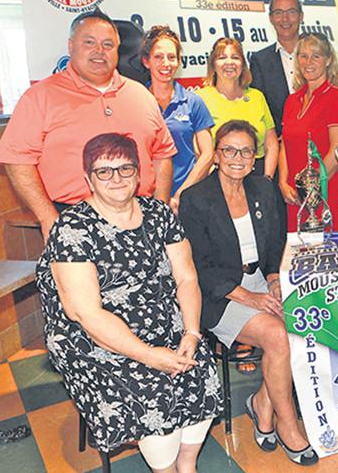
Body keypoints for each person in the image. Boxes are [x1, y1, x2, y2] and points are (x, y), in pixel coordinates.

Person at [36, 133, 222, 472]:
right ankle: (165, 469)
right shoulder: (73, 228)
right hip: (94, 338)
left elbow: (187, 278)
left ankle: (187, 464)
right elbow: (86, 312)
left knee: (200, 368)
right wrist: (150, 355)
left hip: (162, 320)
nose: (117, 178)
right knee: (151, 389)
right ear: (88, 179)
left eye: (125, 168)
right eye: (104, 171)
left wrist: (191, 333)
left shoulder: (158, 213)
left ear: (139, 173)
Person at [179, 120, 317, 466]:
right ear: (215, 155)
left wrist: (272, 279)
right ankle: (289, 426)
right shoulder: (195, 198)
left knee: (305, 318)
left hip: (260, 281)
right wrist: (249, 296)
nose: (237, 158)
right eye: (228, 150)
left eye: (245, 151)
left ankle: (261, 404)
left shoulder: (263, 189)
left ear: (255, 156)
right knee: (278, 335)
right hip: (219, 295)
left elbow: (275, 242)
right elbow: (198, 266)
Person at [0, 9, 176, 239]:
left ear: (118, 50)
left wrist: (158, 210)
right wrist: (47, 216)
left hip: (141, 219)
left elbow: (162, 155)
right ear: (71, 46)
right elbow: (16, 160)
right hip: (73, 223)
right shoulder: (40, 97)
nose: (99, 51)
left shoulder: (141, 95)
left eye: (108, 44)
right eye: (89, 42)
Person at [279, 33, 338, 232]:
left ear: (328, 60)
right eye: (303, 56)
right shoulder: (292, 100)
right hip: (295, 198)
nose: (308, 62)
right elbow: (284, 145)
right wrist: (283, 183)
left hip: (326, 194)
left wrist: (311, 189)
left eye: (316, 56)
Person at [140, 25, 214, 213]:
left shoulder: (193, 101)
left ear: (179, 61)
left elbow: (207, 154)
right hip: (146, 199)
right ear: (146, 61)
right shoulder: (136, 100)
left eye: (172, 57)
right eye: (158, 57)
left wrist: (182, 194)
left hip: (186, 199)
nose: (166, 63)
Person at [198, 38, 278, 179]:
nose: (229, 62)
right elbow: (197, 148)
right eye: (222, 57)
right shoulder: (200, 98)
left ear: (243, 65)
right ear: (213, 65)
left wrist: (267, 179)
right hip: (216, 176)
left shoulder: (256, 97)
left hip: (257, 176)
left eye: (235, 57)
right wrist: (215, 179)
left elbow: (271, 145)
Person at [250, 0, 303, 134]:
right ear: (271, 18)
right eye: (278, 12)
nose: (285, 19)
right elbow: (260, 108)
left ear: (301, 16)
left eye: (291, 12)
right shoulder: (260, 61)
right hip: (279, 143)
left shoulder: (318, 54)